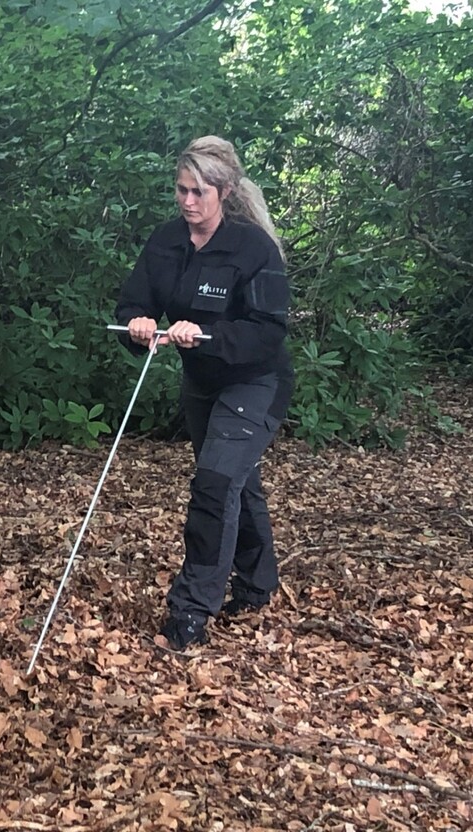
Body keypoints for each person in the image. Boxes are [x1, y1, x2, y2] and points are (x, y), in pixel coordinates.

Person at [115, 135, 292, 650]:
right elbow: (130, 304)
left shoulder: (253, 248)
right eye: (181, 190)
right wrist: (139, 325)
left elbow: (269, 328)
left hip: (256, 381)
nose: (188, 202)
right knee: (236, 482)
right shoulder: (166, 242)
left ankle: (191, 609)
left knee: (214, 484)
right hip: (202, 384)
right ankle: (258, 585)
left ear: (225, 192)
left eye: (199, 192)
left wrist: (205, 334)